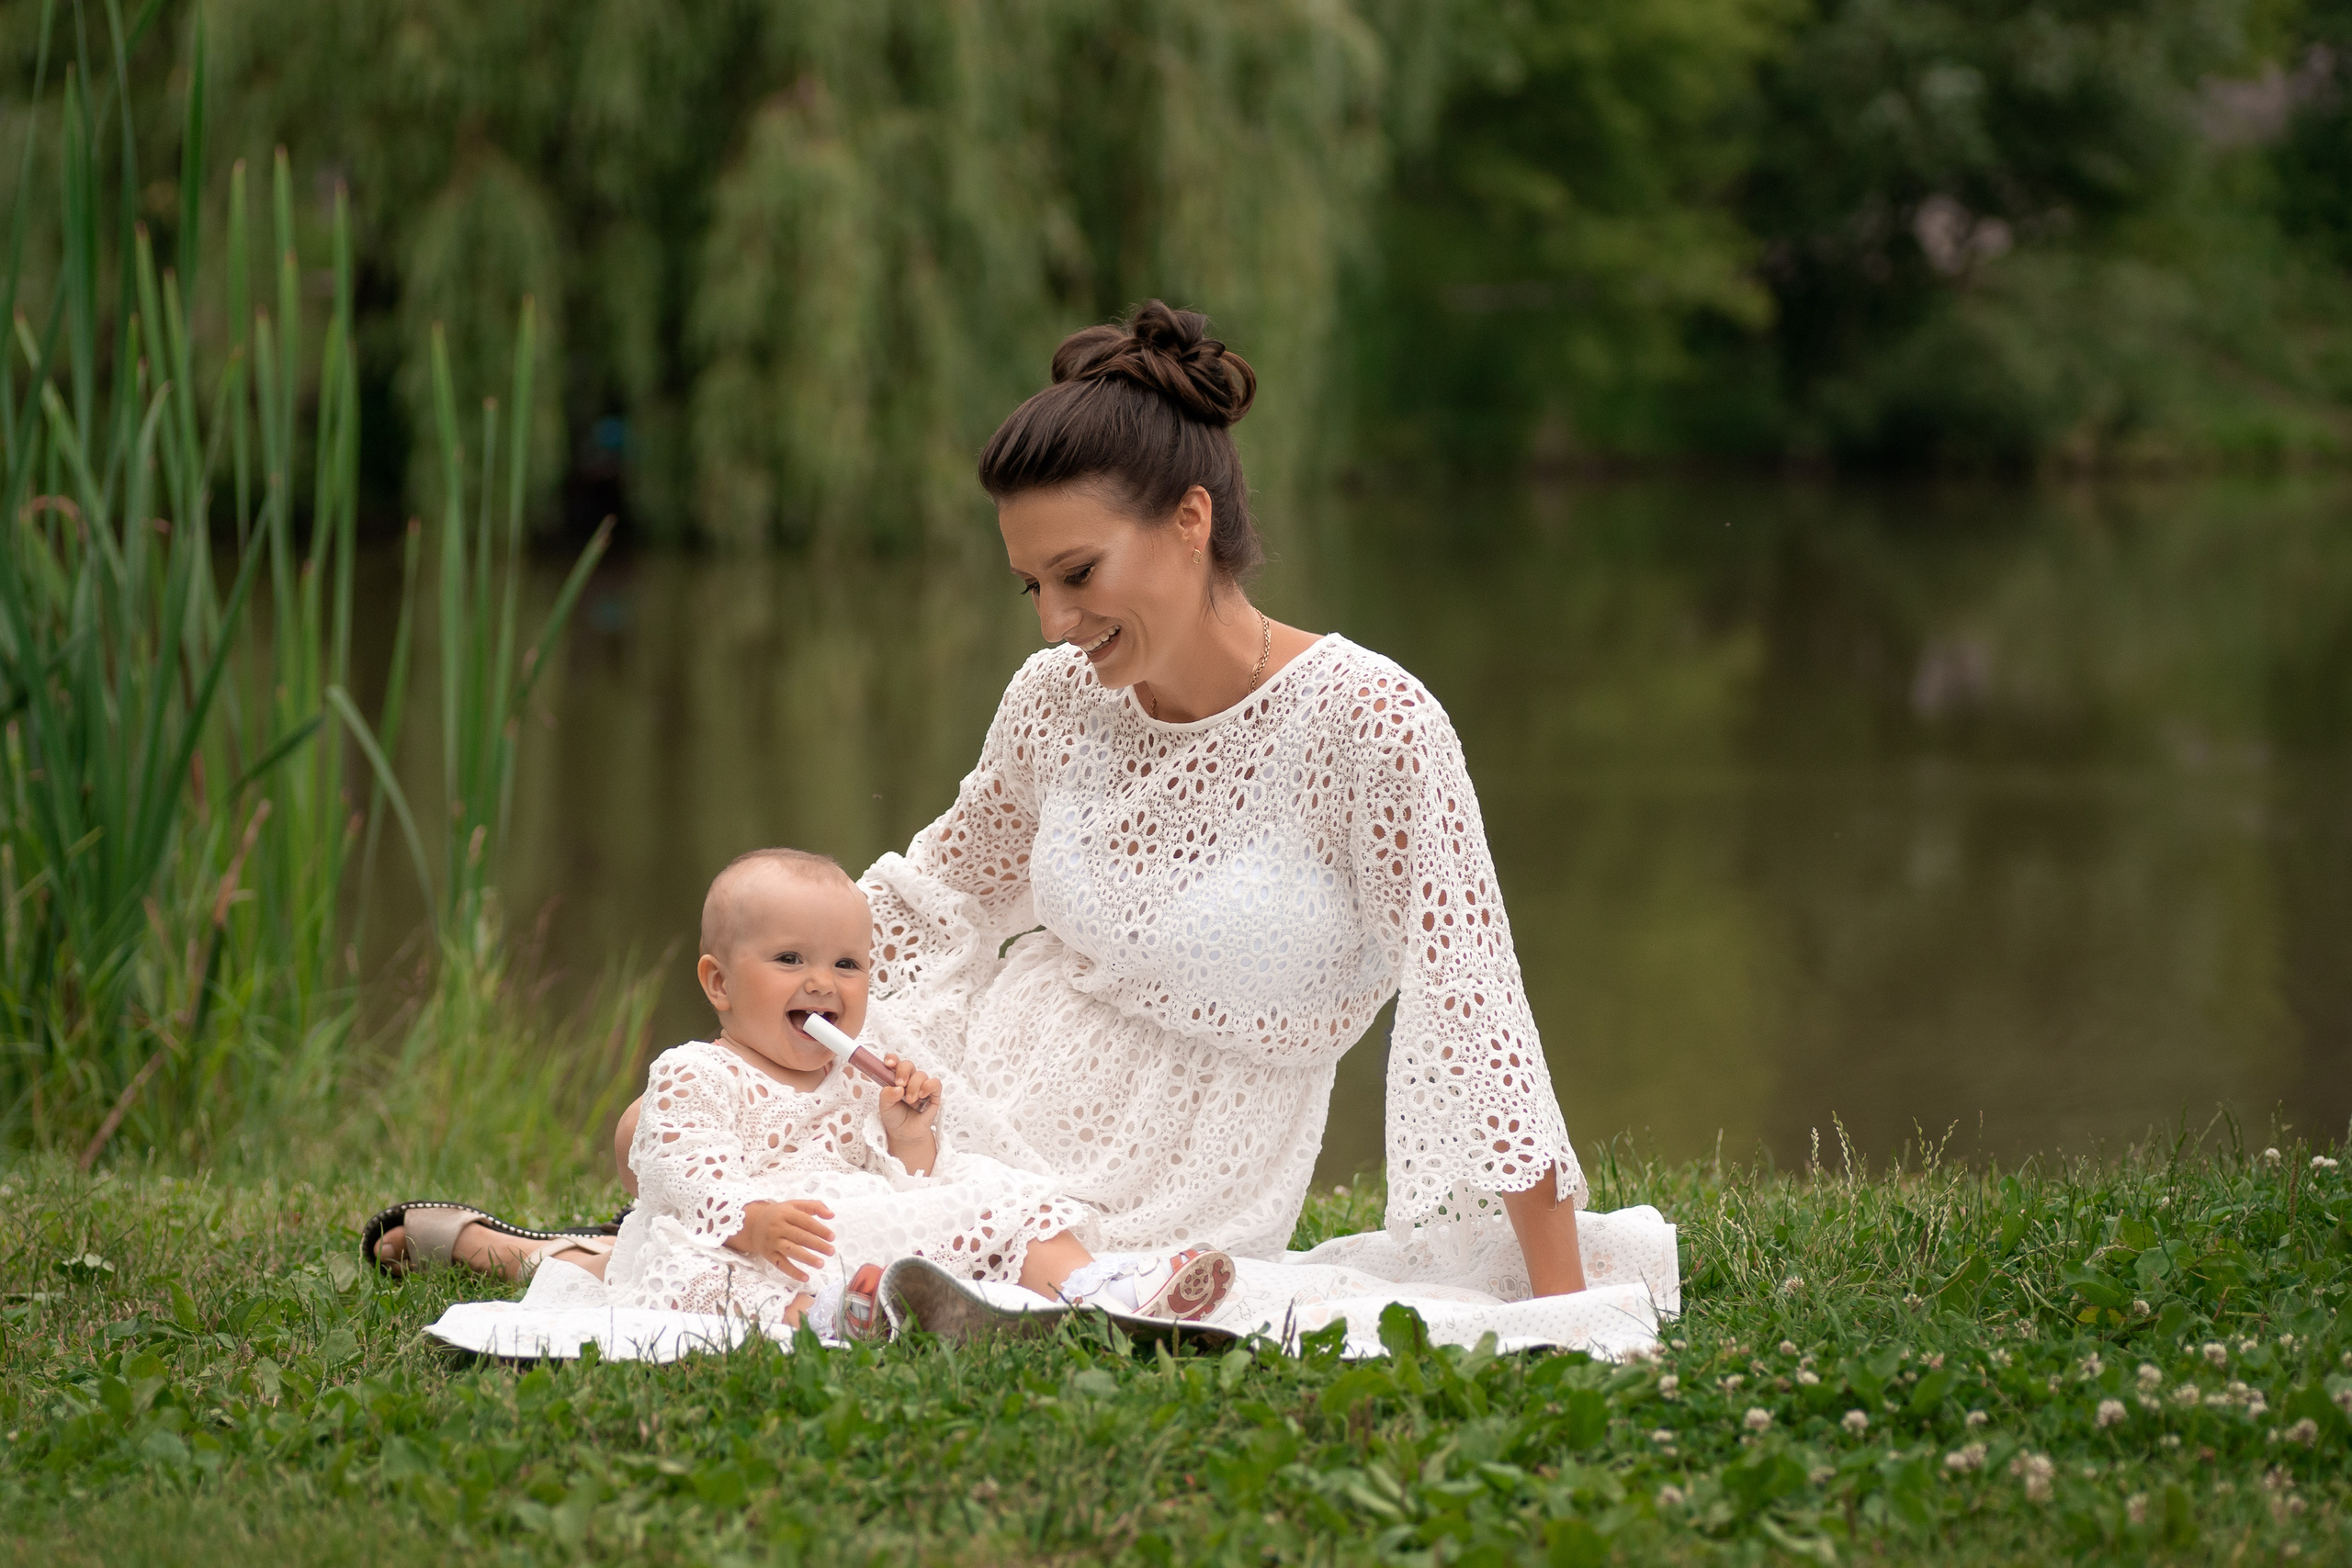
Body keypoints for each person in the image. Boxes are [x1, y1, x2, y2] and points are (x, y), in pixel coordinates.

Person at [369, 301, 1676, 1339]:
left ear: (1192, 517)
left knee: (984, 1268)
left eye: (1078, 574)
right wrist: (789, 1018)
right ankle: (567, 1243)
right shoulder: (1060, 697)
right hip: (973, 1079)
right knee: (683, 1121)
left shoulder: (1373, 724)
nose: (1053, 622)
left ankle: (539, 1250)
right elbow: (937, 896)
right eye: (1029, 583)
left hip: (1190, 1171)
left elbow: (1477, 1017)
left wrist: (1556, 1305)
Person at [604, 847, 1235, 1333]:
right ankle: (830, 1316)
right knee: (695, 1271)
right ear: (719, 983)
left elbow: (905, 1182)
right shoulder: (695, 1073)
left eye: (846, 964)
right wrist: (752, 1223)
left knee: (996, 1186)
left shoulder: (851, 1076)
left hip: (859, 1226)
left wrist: (908, 1137)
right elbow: (685, 1177)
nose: (824, 983)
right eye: (791, 959)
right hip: (771, 1247)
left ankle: (1097, 1286)